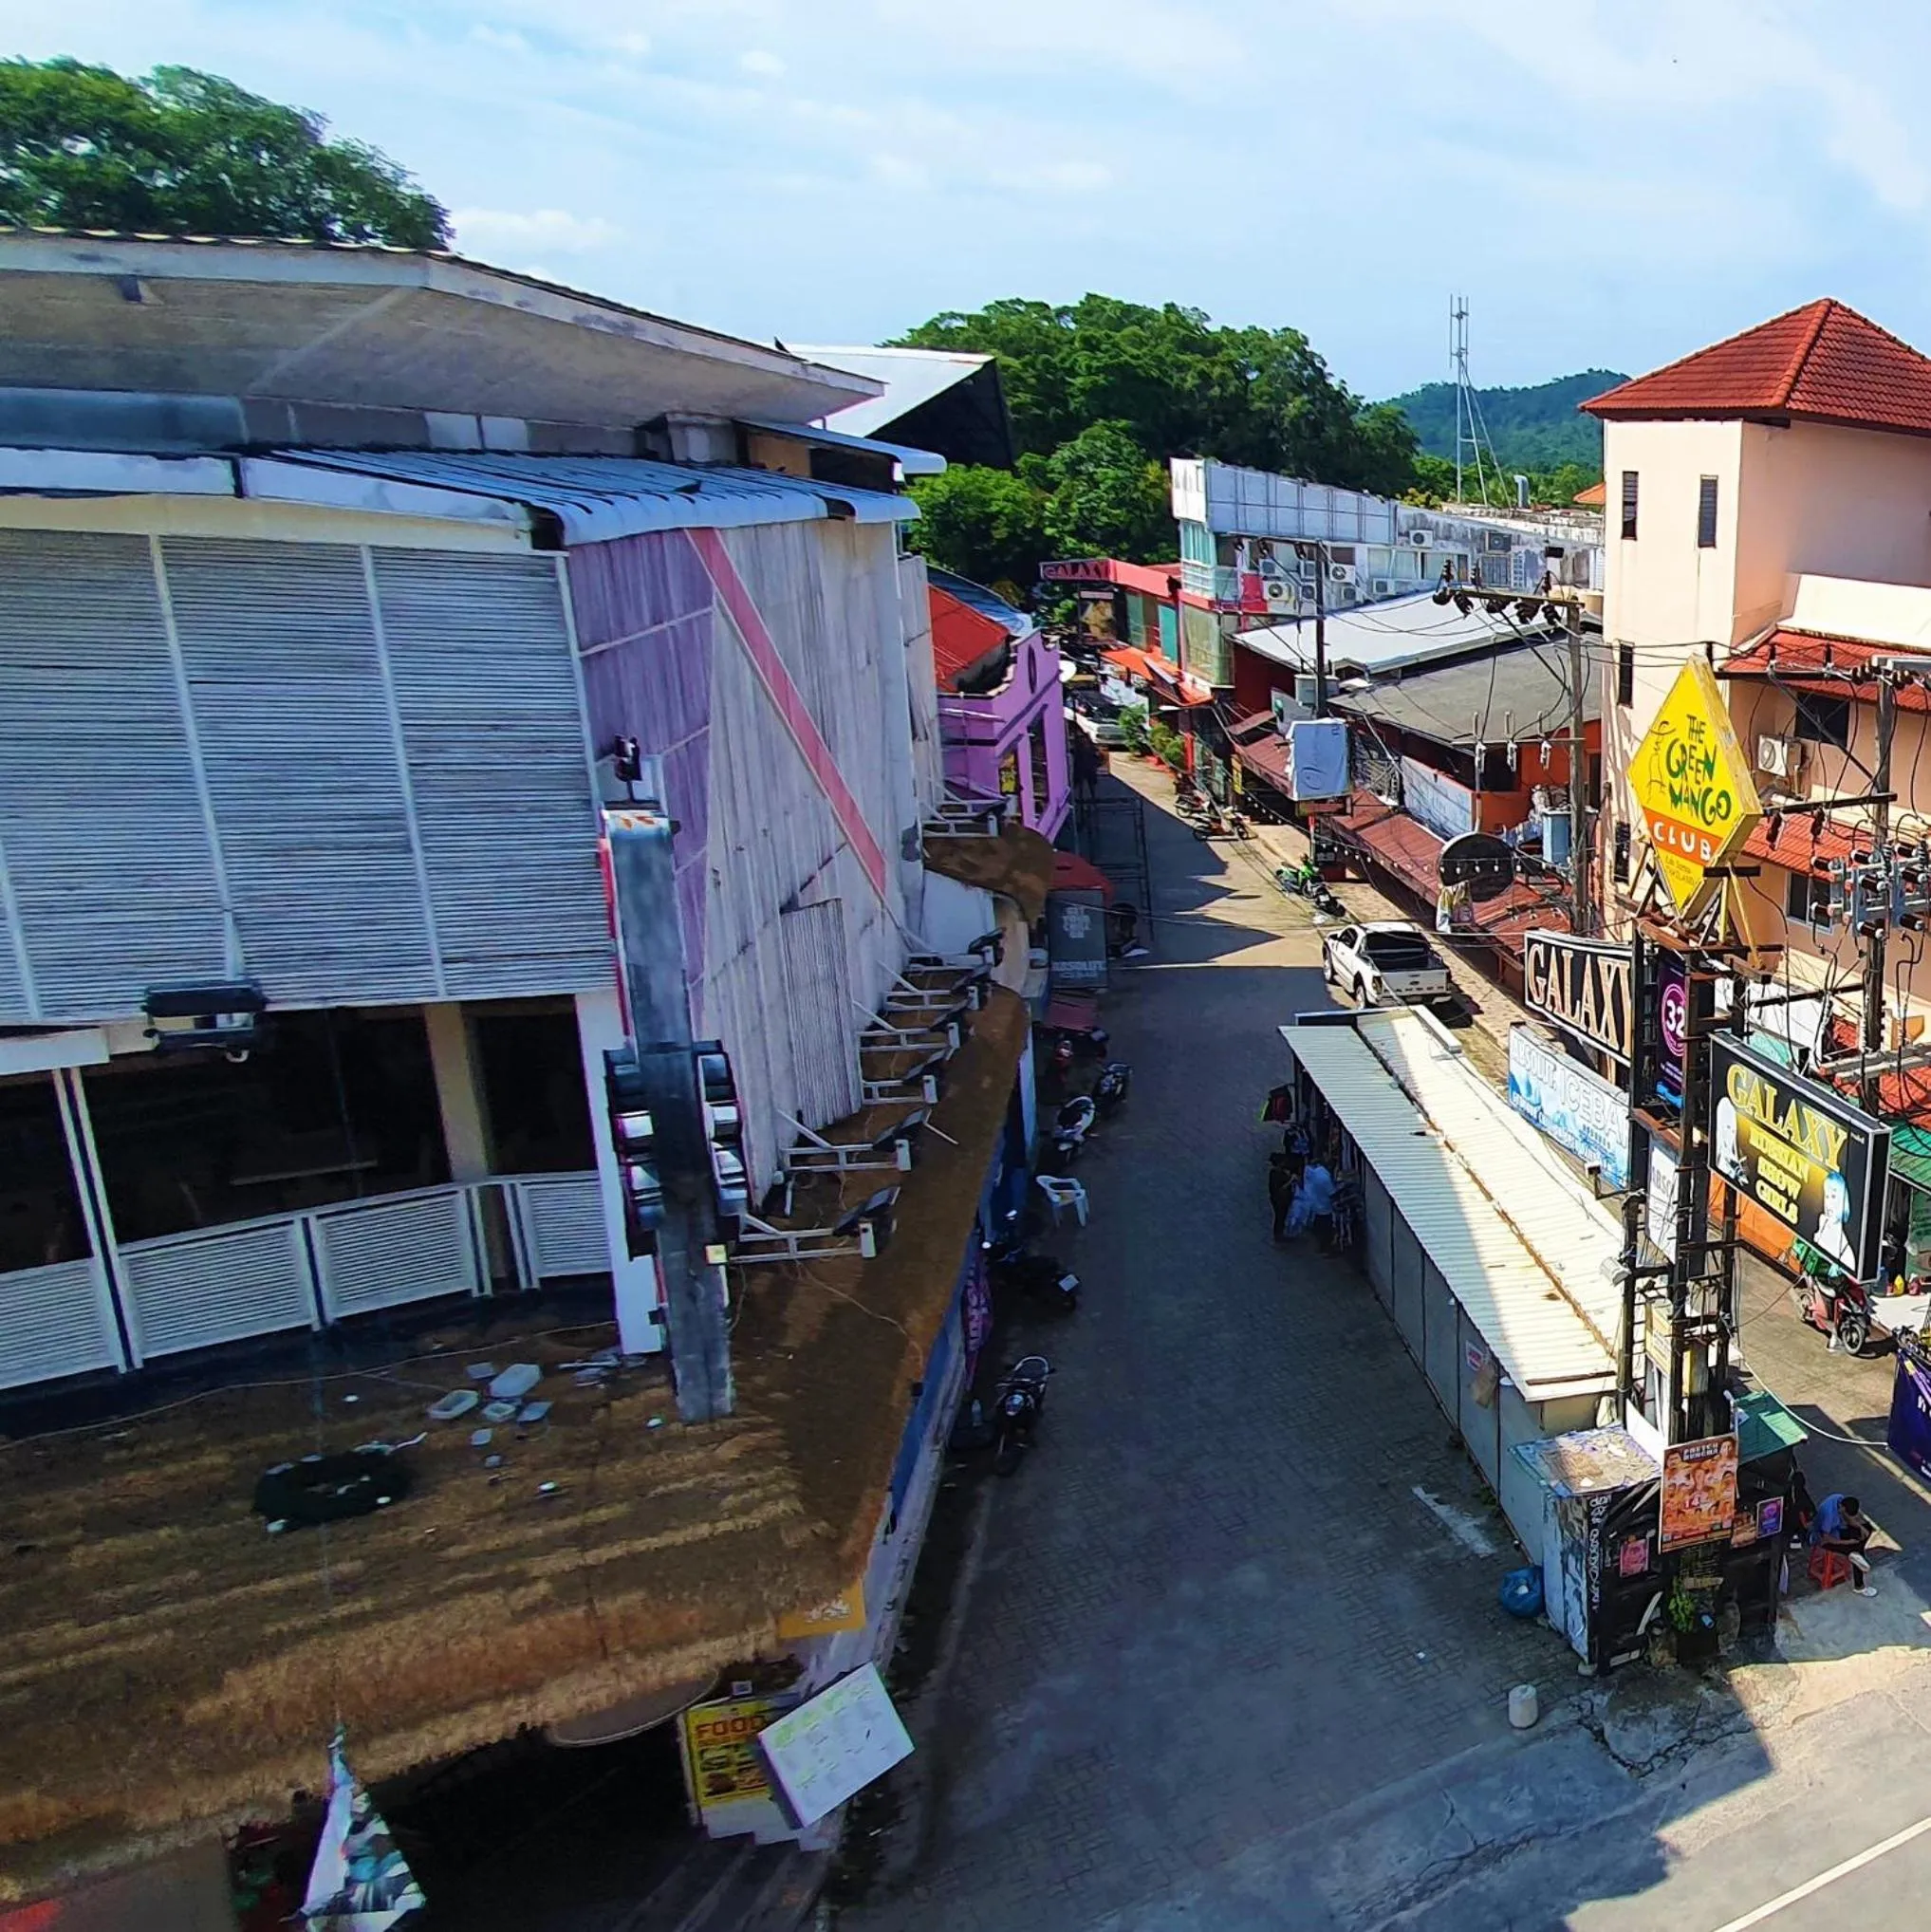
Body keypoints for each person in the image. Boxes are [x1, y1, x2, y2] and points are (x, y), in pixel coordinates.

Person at [1812, 1492, 1878, 1597]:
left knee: (1867, 1528)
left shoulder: (1839, 1499)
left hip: (1837, 1531)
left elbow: (1849, 1519)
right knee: (1857, 1550)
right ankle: (1859, 1586)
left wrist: (1861, 1528)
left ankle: (1854, 1553)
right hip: (1824, 1539)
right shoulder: (1828, 1516)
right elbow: (1826, 1539)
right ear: (1842, 1509)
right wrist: (1848, 1542)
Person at [1301, 1156, 1337, 1254]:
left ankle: (1320, 1244)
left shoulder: (1308, 1171)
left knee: (1318, 1227)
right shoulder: (1324, 1178)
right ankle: (1326, 1247)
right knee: (1326, 1229)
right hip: (1324, 1208)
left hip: (1313, 1204)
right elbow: (1332, 1193)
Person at [1268, 1151, 1297, 1243]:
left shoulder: (1276, 1172)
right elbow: (1281, 1188)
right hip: (1279, 1200)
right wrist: (1291, 1180)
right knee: (1280, 1217)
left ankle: (1280, 1234)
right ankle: (1279, 1235)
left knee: (1281, 1217)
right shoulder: (1276, 1174)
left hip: (1279, 1199)